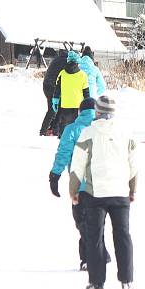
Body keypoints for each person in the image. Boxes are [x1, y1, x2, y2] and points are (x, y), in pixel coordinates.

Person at [69, 95, 137, 289]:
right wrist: (132, 189)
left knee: (95, 236)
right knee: (123, 235)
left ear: (97, 112)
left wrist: (73, 190)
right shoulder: (126, 133)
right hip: (120, 193)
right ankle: (126, 280)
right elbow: (133, 164)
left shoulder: (88, 133)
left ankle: (97, 281)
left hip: (94, 194)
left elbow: (77, 165)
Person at [49, 97, 111, 271]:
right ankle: (96, 254)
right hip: (102, 186)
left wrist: (54, 175)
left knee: (82, 222)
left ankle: (91, 258)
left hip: (81, 187)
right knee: (96, 222)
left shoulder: (72, 130)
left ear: (79, 112)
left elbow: (63, 153)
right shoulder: (103, 130)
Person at [53, 50, 89, 137]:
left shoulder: (62, 74)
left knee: (64, 125)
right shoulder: (83, 75)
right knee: (77, 125)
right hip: (78, 105)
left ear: (68, 60)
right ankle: (76, 142)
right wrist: (88, 105)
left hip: (65, 104)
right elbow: (86, 92)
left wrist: (55, 100)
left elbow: (57, 89)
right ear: (78, 61)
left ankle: (63, 140)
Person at [40, 49, 68, 136]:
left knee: (53, 109)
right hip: (52, 86)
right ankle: (45, 131)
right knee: (53, 110)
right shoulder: (65, 61)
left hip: (46, 85)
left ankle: (50, 129)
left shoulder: (56, 59)